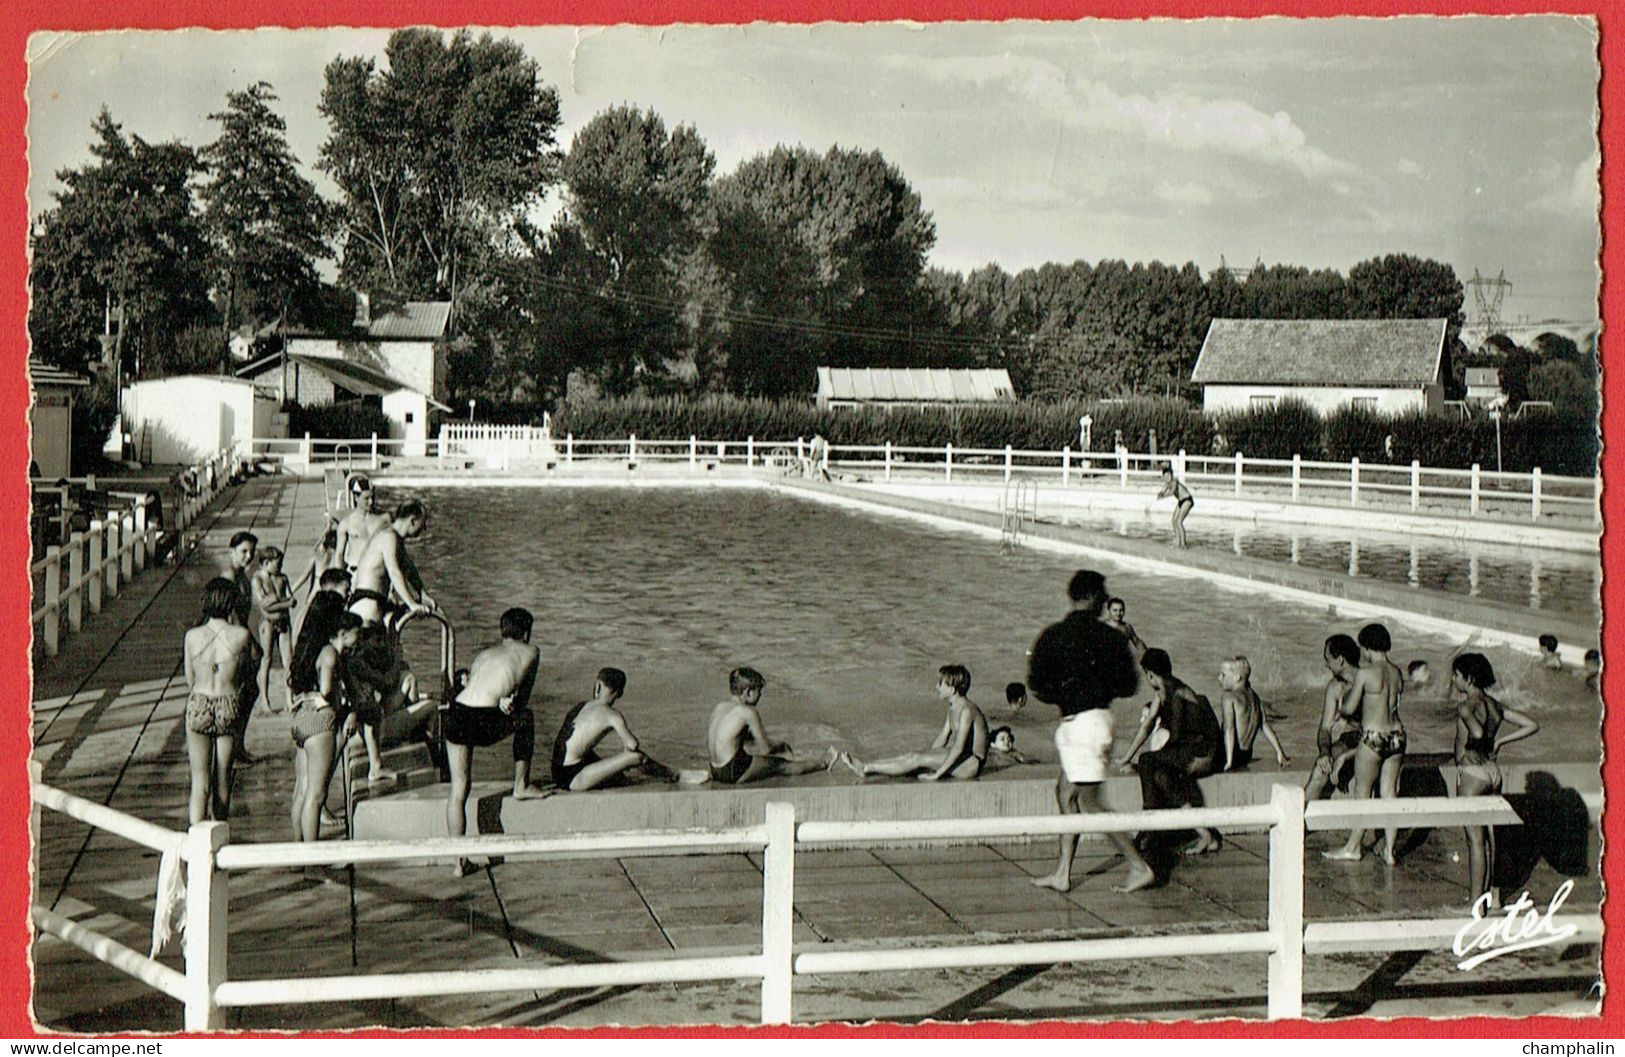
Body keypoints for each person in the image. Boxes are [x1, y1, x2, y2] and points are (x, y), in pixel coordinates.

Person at [1027, 570, 1155, 894]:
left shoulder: (1053, 635)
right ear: (1097, 598)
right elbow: (1129, 685)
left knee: (1092, 802)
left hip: (1077, 724)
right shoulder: (1111, 637)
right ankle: (1062, 873)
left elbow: (1037, 686)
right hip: (1095, 722)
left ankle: (1139, 866)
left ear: (1073, 597)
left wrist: (1067, 693)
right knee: (1066, 793)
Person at [445, 608, 553, 877]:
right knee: (526, 718)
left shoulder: (485, 654)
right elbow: (522, 701)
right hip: (482, 718)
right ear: (527, 632)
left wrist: (504, 698)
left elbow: (479, 685)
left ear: (502, 632)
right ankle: (521, 785)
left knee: (459, 790)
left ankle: (458, 863)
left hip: (456, 713)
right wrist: (511, 704)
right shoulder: (532, 651)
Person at [1451, 652, 1539, 907]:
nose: (1453, 680)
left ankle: (1476, 903)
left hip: (1472, 774)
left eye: (1455, 675)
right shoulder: (1494, 704)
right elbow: (1531, 724)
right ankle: (1495, 897)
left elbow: (1476, 731)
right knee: (1492, 838)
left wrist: (1472, 743)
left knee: (1475, 841)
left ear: (1467, 678)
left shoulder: (1466, 705)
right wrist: (1500, 740)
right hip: (1492, 772)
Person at [1325, 623, 1406, 864]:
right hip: (1397, 736)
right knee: (1390, 793)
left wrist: (1341, 706)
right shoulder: (1396, 672)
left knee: (1362, 792)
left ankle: (1353, 847)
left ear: (1368, 648)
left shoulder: (1367, 672)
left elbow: (1350, 708)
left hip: (1373, 736)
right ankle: (1390, 851)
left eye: (1362, 648)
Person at [182, 579, 258, 824]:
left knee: (200, 782)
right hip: (228, 702)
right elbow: (247, 673)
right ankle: (219, 837)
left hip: (200, 701)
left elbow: (189, 679)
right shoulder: (241, 636)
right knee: (223, 779)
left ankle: (196, 842)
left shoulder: (192, 636)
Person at [1134, 648, 1223, 855]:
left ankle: (1148, 824)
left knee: (1147, 761)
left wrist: (1157, 757)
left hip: (1203, 753)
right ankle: (1206, 834)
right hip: (1192, 748)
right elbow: (1147, 726)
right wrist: (1126, 757)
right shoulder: (1164, 691)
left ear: (1150, 675)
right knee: (1161, 776)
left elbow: (1175, 737)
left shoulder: (1176, 693)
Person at [288, 610, 362, 845]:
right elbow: (327, 690)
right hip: (320, 723)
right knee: (316, 795)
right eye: (355, 634)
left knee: (302, 789)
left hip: (302, 720)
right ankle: (312, 861)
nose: (358, 638)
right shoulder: (331, 655)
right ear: (343, 633)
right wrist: (346, 709)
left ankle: (299, 849)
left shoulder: (316, 651)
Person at [841, 665, 989, 781]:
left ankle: (866, 768)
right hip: (964, 760)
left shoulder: (967, 711)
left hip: (972, 764)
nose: (936, 687)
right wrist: (925, 757)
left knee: (916, 759)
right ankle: (868, 766)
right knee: (914, 756)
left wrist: (936, 774)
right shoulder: (953, 709)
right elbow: (942, 738)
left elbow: (958, 748)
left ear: (952, 689)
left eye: (940, 683)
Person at [550, 668, 679, 791]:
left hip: (557, 770)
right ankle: (673, 774)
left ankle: (667, 774)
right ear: (620, 693)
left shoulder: (581, 706)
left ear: (598, 685)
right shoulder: (612, 715)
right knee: (636, 757)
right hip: (572, 778)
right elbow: (633, 745)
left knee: (614, 773)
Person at [706, 667, 838, 785]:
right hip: (731, 773)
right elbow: (766, 749)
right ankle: (824, 763)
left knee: (753, 759)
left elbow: (727, 739)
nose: (761, 695)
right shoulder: (748, 712)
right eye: (759, 691)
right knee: (781, 765)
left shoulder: (720, 707)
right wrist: (782, 745)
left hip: (715, 770)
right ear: (748, 692)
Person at [350, 499, 438, 627]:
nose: (423, 530)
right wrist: (411, 604)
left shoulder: (394, 537)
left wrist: (422, 593)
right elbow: (394, 571)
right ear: (413, 521)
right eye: (422, 525)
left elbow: (409, 569)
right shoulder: (389, 537)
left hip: (374, 603)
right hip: (366, 605)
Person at [1305, 635, 1363, 801]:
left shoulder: (1369, 683)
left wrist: (1346, 756)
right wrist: (1324, 753)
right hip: (1353, 739)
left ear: (1341, 660)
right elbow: (1324, 728)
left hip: (1373, 742)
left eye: (1328, 659)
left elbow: (1377, 734)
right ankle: (1297, 819)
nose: (1326, 664)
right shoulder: (1336, 688)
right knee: (1321, 767)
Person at [223, 531, 263, 764]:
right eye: (243, 552)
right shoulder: (230, 576)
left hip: (240, 638)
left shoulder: (242, 576)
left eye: (251, 552)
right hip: (231, 642)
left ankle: (237, 746)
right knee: (240, 695)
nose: (249, 556)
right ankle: (233, 748)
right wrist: (251, 644)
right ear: (231, 552)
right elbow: (233, 615)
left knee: (248, 692)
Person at [1217, 656, 1288, 772]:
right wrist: (1279, 752)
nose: (1219, 678)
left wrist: (1229, 761)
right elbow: (1264, 725)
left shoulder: (1229, 697)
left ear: (1237, 678)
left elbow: (1229, 728)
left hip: (1231, 754)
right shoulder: (1254, 697)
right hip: (1246, 755)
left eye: (1223, 675)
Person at [250, 546, 295, 716]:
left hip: (283, 621)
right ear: (266, 563)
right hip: (267, 622)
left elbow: (292, 598)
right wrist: (282, 603)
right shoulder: (257, 580)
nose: (280, 567)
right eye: (278, 564)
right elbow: (264, 604)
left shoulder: (282, 578)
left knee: (288, 660)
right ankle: (265, 701)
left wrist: (276, 601)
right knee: (266, 660)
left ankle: (289, 699)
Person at [335, 476, 390, 575]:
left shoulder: (384, 519)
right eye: (366, 498)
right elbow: (339, 555)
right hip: (355, 572)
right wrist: (340, 578)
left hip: (379, 573)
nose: (371, 502)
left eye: (373, 497)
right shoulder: (347, 523)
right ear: (356, 497)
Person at [289, 526, 343, 605]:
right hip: (331, 592)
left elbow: (304, 577)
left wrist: (291, 591)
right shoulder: (339, 558)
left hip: (316, 591)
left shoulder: (318, 557)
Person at [1155, 465, 1194, 549]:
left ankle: (1183, 544)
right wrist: (1160, 494)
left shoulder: (1174, 482)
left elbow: (1172, 491)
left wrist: (1164, 496)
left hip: (1187, 500)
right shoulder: (1166, 484)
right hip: (1181, 501)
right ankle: (1178, 541)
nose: (1167, 478)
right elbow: (1162, 491)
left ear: (1171, 475)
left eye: (1168, 476)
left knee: (1179, 521)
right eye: (1165, 476)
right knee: (1173, 520)